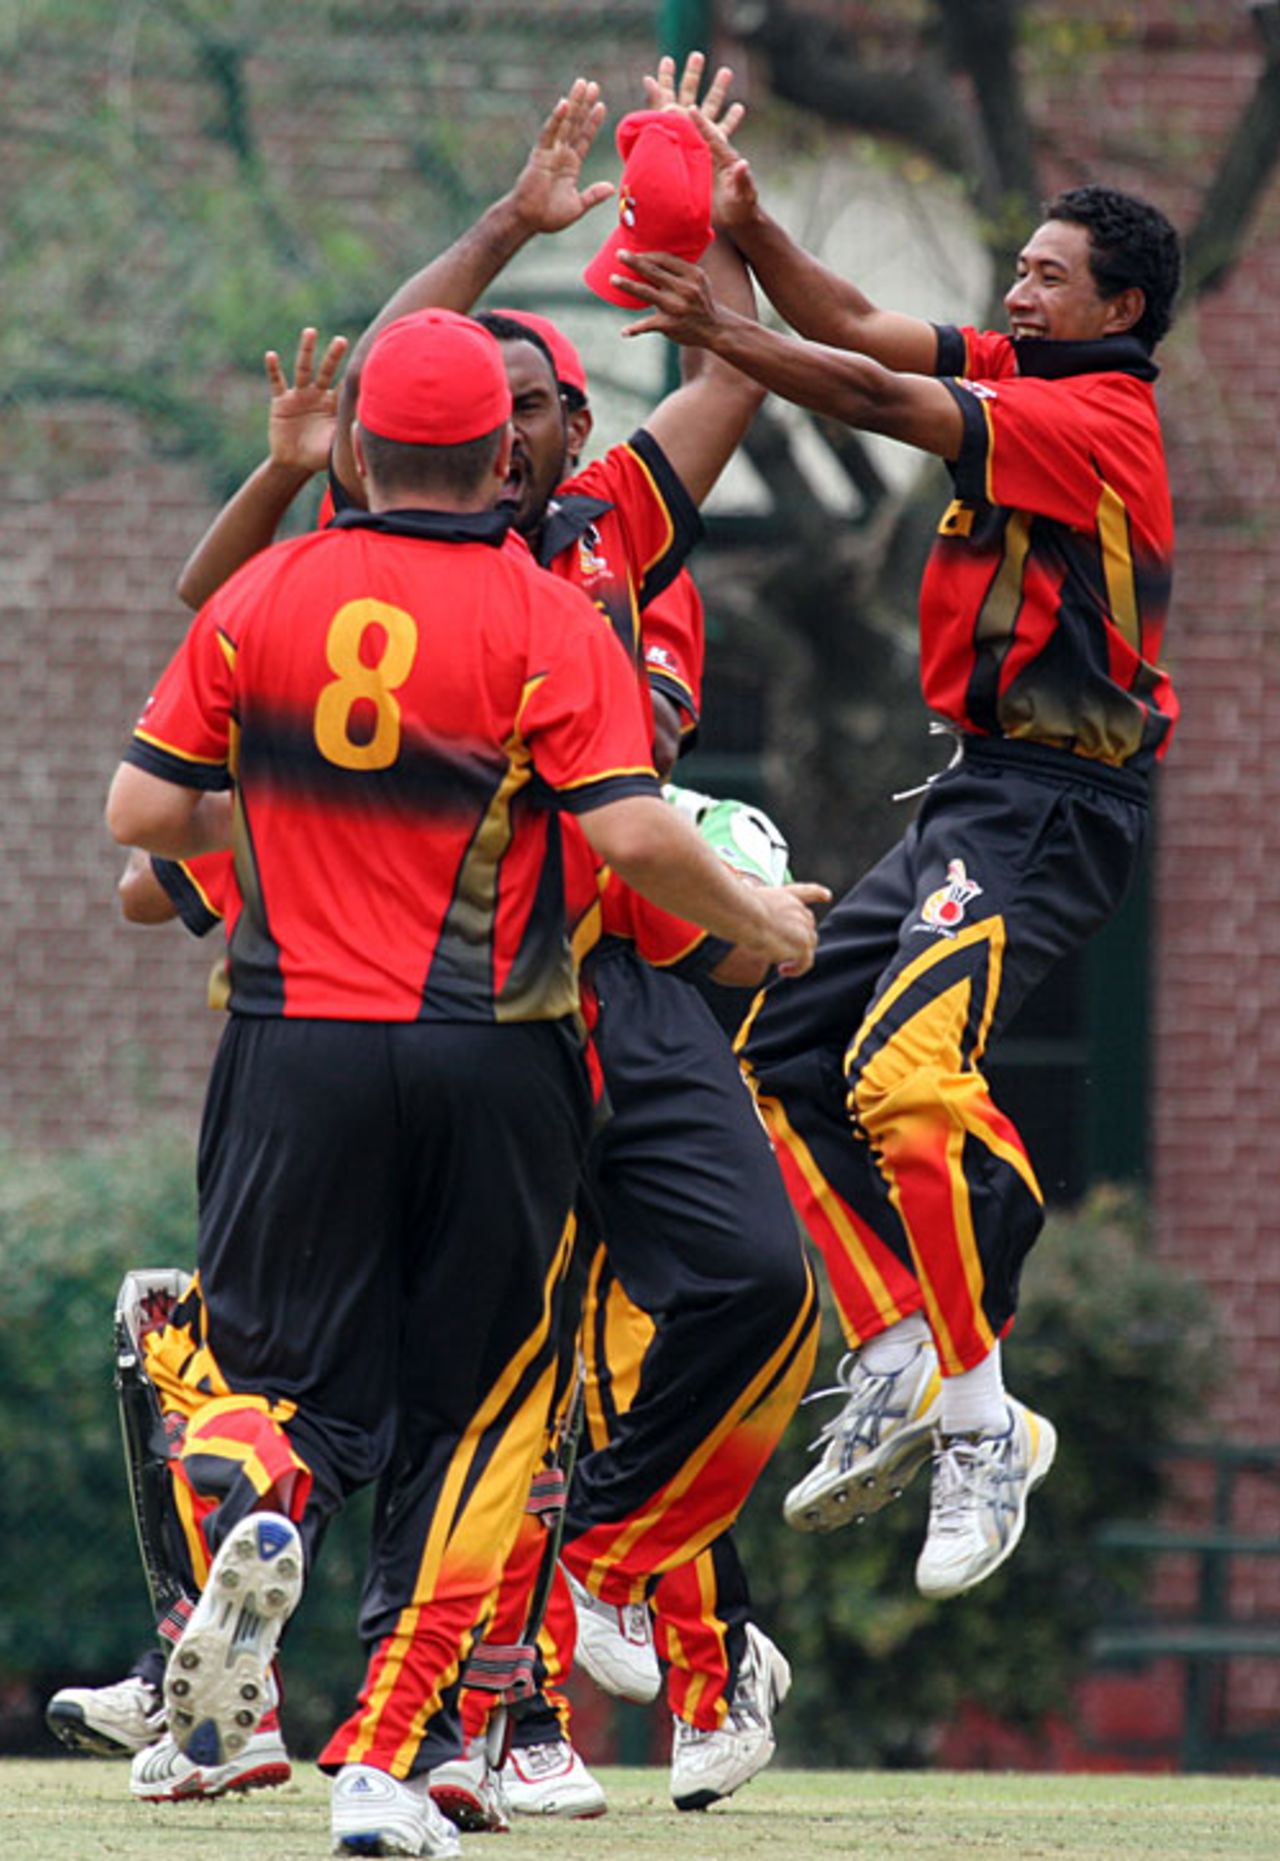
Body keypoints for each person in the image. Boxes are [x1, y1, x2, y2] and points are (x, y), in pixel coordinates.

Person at [105, 306, 822, 1858]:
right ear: (505, 456)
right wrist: (760, 916)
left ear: (356, 447)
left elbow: (140, 812)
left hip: (289, 1053)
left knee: (275, 1390)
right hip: (494, 1052)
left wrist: (306, 819)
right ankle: (384, 1761)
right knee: (483, 1417)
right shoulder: (550, 611)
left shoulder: (265, 593)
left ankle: (258, 1504)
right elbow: (632, 836)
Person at [619, 143, 1182, 1600]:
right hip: (977, 793)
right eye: (1022, 268)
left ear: (1119, 307)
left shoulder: (1099, 420)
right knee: (780, 1046)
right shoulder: (1032, 364)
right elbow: (865, 329)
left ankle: (987, 1422)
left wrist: (717, 331)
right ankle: (891, 1349)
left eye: (1049, 276)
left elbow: (869, 397)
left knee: (904, 1077)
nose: (1018, 289)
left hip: (1056, 805)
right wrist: (748, 227)